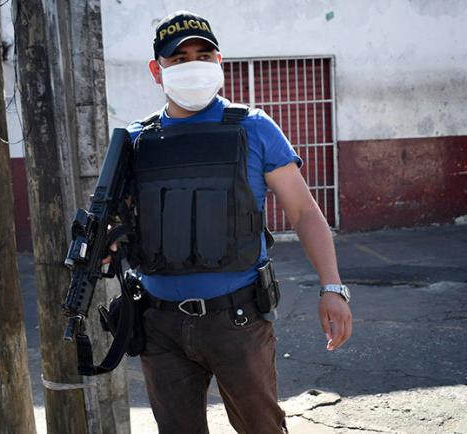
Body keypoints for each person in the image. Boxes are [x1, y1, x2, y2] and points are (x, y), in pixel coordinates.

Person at [118, 10, 353, 434]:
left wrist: (332, 288)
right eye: (179, 58)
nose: (194, 65)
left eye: (203, 56)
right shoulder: (137, 140)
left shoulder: (254, 127)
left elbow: (304, 213)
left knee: (261, 429)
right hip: (158, 324)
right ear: (157, 70)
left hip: (237, 320)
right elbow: (120, 221)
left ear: (219, 63)